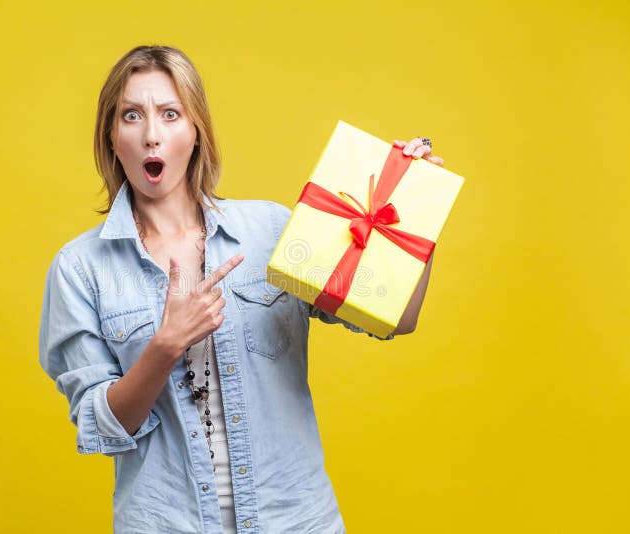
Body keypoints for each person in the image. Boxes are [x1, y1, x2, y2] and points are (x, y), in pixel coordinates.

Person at [38, 45, 443, 534]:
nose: (151, 135)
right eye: (131, 116)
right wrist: (165, 346)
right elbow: (103, 426)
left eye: (170, 114)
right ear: (111, 135)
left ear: (196, 132)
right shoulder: (80, 268)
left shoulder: (271, 231)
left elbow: (396, 319)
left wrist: (417, 217)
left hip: (295, 522)